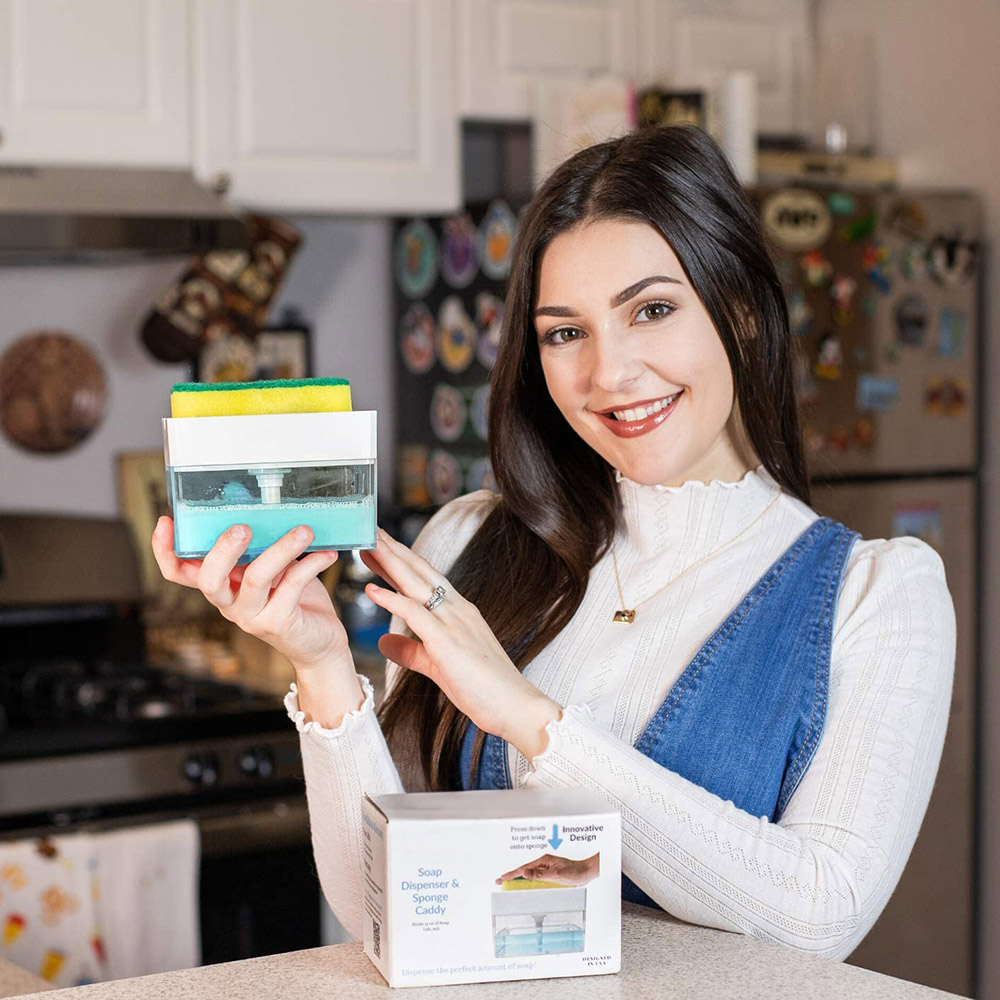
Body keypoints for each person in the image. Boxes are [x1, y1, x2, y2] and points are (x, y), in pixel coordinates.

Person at [151, 125, 955, 962]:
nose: (610, 375)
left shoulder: (877, 595)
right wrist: (320, 666)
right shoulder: (469, 543)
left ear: (743, 314)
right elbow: (378, 908)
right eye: (565, 333)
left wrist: (533, 721)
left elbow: (821, 915)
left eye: (652, 311)